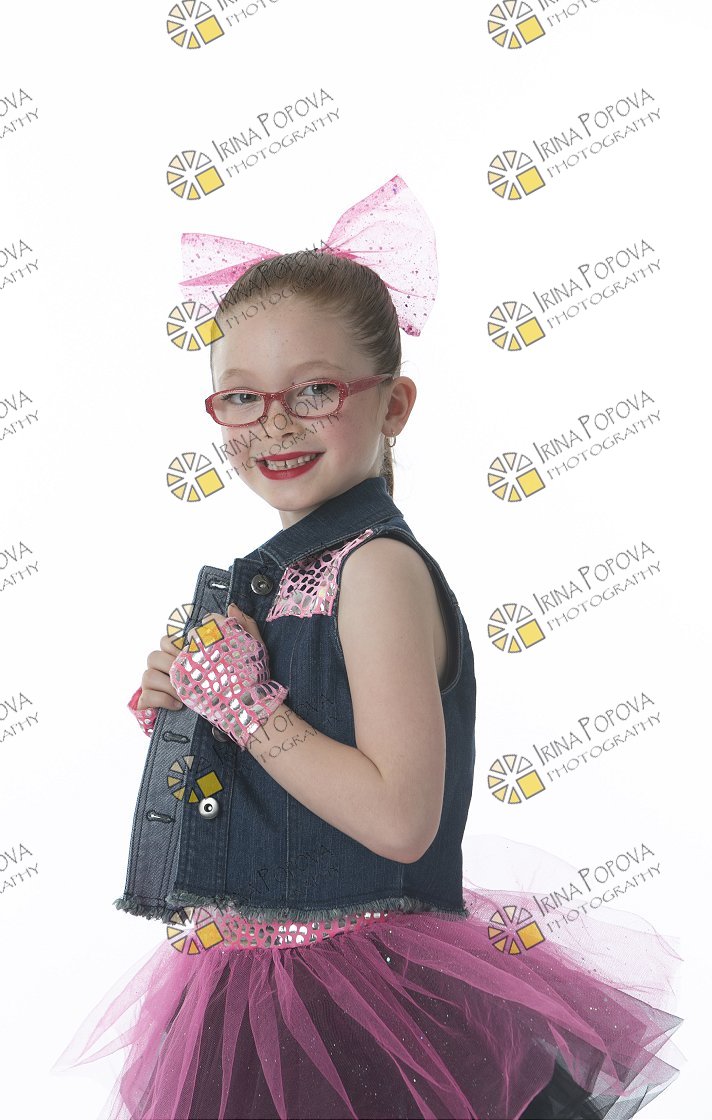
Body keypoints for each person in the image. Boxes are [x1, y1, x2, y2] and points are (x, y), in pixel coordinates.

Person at [54, 178, 683, 1119]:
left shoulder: (376, 570)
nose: (275, 423)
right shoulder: (274, 580)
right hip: (250, 982)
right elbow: (286, 789)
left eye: (315, 390)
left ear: (394, 405)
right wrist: (195, 719)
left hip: (365, 993)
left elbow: (398, 821)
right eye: (241, 397)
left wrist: (247, 710)